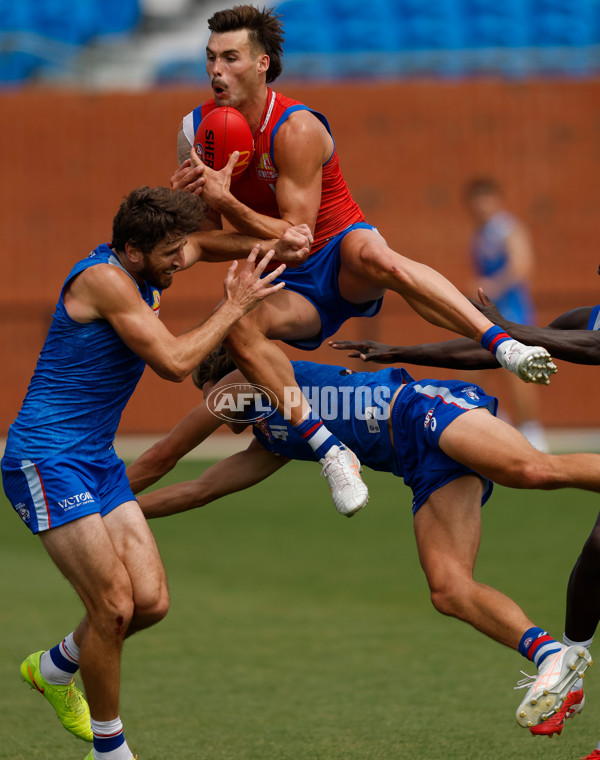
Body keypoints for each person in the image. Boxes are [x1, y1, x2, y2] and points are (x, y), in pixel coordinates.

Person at [170, 4, 556, 518]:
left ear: (262, 63)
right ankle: (330, 451)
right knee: (236, 321)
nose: (216, 70)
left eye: (231, 58)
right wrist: (195, 233)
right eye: (210, 58)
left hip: (338, 253)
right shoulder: (195, 135)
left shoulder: (296, 128)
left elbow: (302, 238)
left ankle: (502, 344)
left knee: (377, 255)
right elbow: (206, 244)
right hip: (291, 285)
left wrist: (228, 204)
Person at [124, 347, 600, 742]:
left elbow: (166, 455)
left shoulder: (244, 377)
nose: (212, 407)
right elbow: (200, 489)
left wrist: (93, 503)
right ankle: (552, 656)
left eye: (205, 394)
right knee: (449, 589)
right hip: (419, 465)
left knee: (531, 470)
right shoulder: (273, 438)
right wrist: (120, 513)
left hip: (422, 410)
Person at [1, 185, 297, 760]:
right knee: (112, 606)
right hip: (46, 459)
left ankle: (55, 668)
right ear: (133, 250)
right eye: (169, 253)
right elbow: (173, 360)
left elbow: (206, 243)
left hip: (95, 461)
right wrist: (236, 302)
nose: (179, 260)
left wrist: (275, 244)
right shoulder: (108, 282)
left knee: (151, 602)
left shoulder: (147, 258)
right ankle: (111, 759)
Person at [330, 282, 600, 760]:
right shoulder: (591, 316)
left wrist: (507, 331)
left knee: (554, 494)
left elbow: (590, 349)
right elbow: (491, 351)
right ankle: (569, 670)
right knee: (598, 552)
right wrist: (403, 351)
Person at [464, 177, 547, 451]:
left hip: (514, 312)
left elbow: (522, 264)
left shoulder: (507, 229)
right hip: (490, 314)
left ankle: (532, 429)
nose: (481, 207)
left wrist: (493, 285)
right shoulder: (478, 236)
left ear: (495, 200)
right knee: (481, 367)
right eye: (475, 201)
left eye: (485, 200)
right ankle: (502, 422)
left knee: (519, 370)